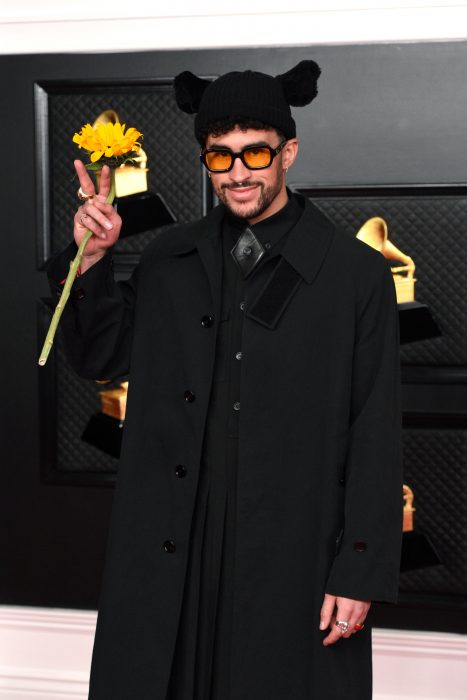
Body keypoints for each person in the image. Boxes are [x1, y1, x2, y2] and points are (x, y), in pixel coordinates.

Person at [48, 60, 402, 700]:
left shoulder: (356, 275)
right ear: (205, 159)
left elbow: (375, 426)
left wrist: (360, 569)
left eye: (255, 153)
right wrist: (91, 261)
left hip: (296, 545)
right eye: (221, 157)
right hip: (175, 539)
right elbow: (100, 355)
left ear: (288, 152)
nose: (238, 172)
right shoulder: (166, 259)